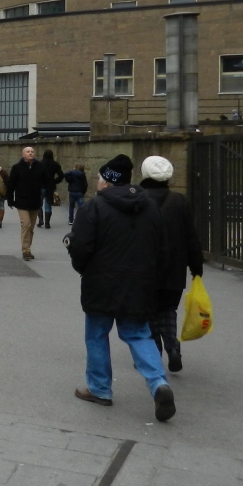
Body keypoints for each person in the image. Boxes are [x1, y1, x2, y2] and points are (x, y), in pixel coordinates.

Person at [65, 154, 176, 422]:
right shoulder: (150, 208)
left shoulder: (93, 208)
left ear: (107, 181)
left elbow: (80, 247)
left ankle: (100, 389)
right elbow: (163, 250)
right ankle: (159, 383)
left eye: (99, 178)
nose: (97, 182)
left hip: (100, 284)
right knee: (139, 334)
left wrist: (83, 268)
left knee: (97, 334)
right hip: (139, 285)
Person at [139, 155, 203, 372]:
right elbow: (190, 236)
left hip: (146, 267)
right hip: (174, 268)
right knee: (168, 309)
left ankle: (154, 352)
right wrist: (196, 266)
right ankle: (173, 346)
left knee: (148, 311)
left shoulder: (138, 199)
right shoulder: (179, 201)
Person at [7, 145, 47, 261]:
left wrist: (49, 193)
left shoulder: (40, 167)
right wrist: (10, 199)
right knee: (26, 224)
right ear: (23, 154)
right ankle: (25, 250)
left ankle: (28, 247)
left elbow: (47, 181)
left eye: (32, 151)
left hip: (35, 201)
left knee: (31, 228)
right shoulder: (17, 168)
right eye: (28, 152)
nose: (30, 153)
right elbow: (11, 184)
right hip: (22, 201)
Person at [39, 148, 65, 229]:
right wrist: (54, 181)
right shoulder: (55, 164)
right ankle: (47, 223)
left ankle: (40, 220)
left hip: (40, 186)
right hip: (50, 186)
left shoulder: (39, 164)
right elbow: (61, 175)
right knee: (48, 204)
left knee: (38, 204)